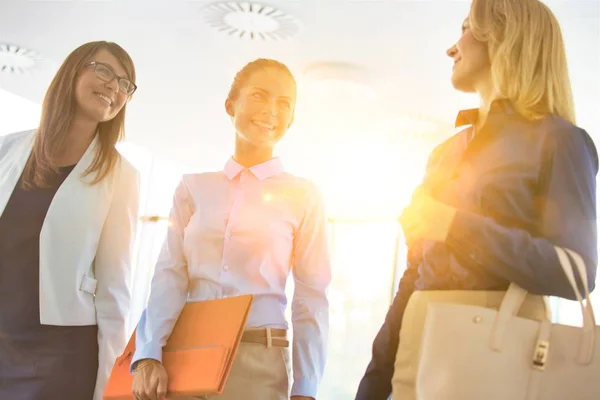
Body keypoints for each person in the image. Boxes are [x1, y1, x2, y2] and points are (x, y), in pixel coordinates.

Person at [355, 1, 598, 399]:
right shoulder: (444, 153)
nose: (452, 48)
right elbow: (412, 281)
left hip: (496, 354)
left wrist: (455, 225)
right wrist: (373, 384)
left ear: (503, 37)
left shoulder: (560, 140)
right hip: (415, 346)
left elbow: (576, 272)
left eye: (467, 28)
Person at [131, 59, 331, 400]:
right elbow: (170, 274)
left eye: (284, 103)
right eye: (258, 95)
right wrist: (148, 352)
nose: (271, 110)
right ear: (230, 105)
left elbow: (312, 296)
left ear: (292, 119)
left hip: (258, 363)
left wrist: (306, 388)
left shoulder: (304, 195)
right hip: (185, 356)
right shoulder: (192, 188)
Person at [0, 41, 140, 399]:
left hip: (58, 353)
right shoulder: (7, 149)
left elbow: (115, 288)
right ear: (72, 71)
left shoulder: (120, 175)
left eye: (125, 84)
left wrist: (111, 387)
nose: (114, 86)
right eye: (105, 71)